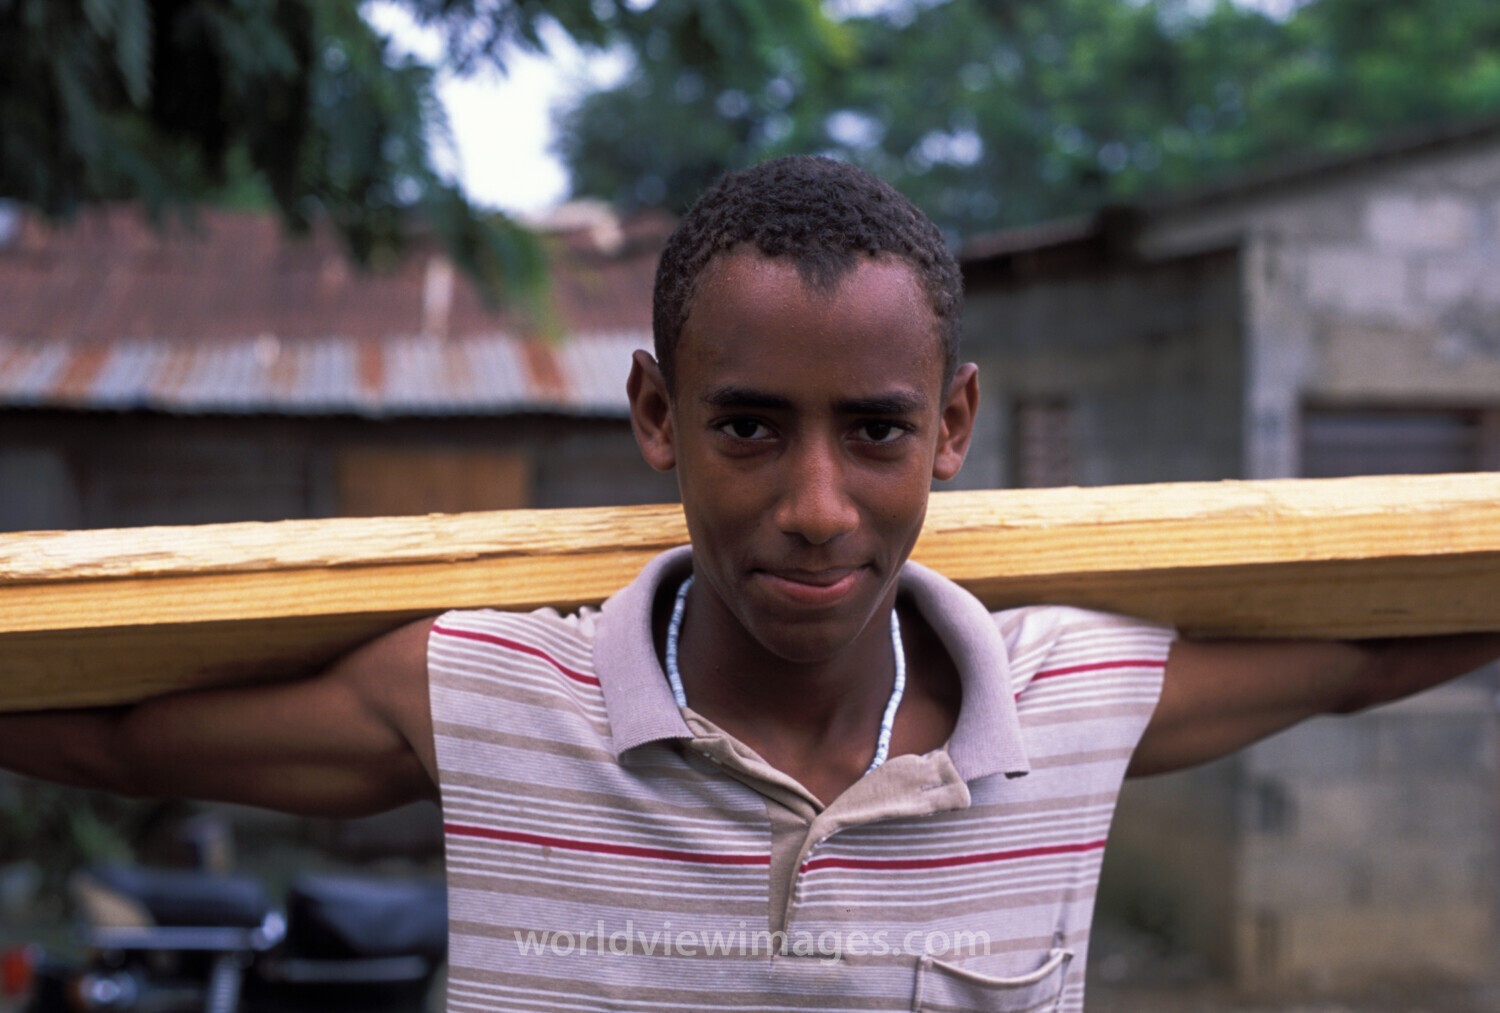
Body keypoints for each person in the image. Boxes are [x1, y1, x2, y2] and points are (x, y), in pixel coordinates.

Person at [2, 155, 1498, 1012]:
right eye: (748, 426)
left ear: (953, 426)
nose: (816, 507)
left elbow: (1373, 647)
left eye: (878, 430)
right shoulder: (483, 698)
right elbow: (120, 736)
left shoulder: (1068, 700)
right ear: (658, 416)